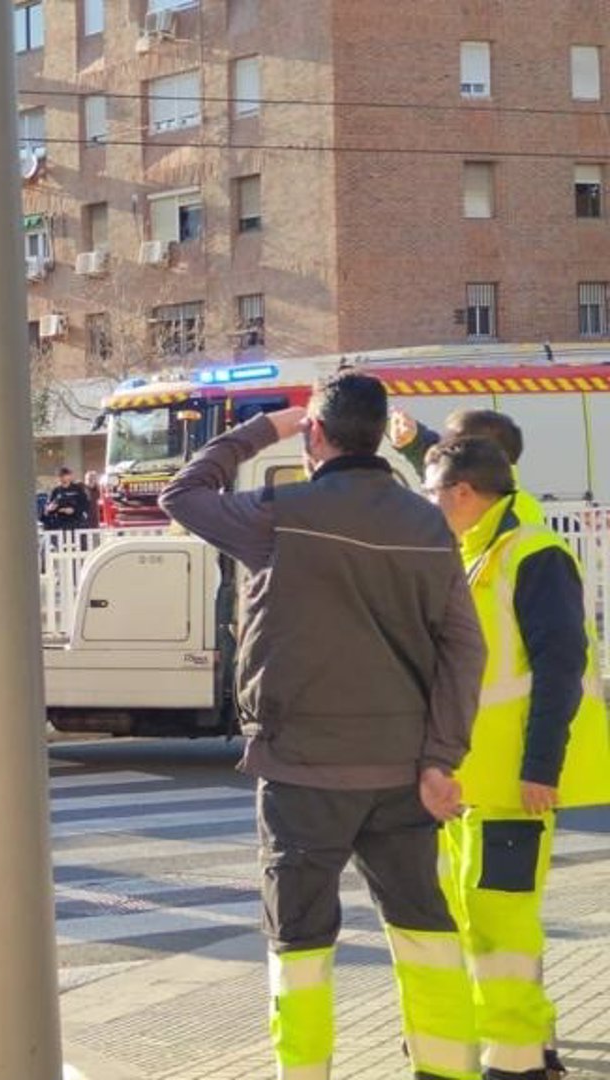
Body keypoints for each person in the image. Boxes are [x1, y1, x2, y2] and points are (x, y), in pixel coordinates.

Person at [158, 373, 484, 1080]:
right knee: (425, 929)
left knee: (301, 945)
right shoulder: (427, 522)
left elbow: (182, 493)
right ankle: (451, 1069)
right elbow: (465, 646)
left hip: (301, 773)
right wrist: (440, 757)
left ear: (317, 435)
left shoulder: (282, 513)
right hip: (403, 774)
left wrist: (265, 427)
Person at [424, 438, 610, 1080]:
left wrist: (541, 769)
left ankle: (521, 1062)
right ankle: (496, 1050)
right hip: (475, 782)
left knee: (503, 930)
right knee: (475, 921)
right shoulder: (480, 554)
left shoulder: (532, 555)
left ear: (465, 495)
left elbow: (561, 667)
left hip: (515, 784)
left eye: (435, 495)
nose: (431, 506)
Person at [392, 407, 542, 525]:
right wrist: (414, 441)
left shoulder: (512, 517)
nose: (440, 454)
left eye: (451, 448)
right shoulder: (492, 494)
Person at [40, 467, 92, 531]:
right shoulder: (56, 491)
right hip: (60, 524)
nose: (63, 478)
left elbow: (85, 504)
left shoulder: (78, 489)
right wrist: (53, 508)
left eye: (64, 475)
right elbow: (49, 506)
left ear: (70, 476)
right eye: (60, 476)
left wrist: (74, 510)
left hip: (77, 524)